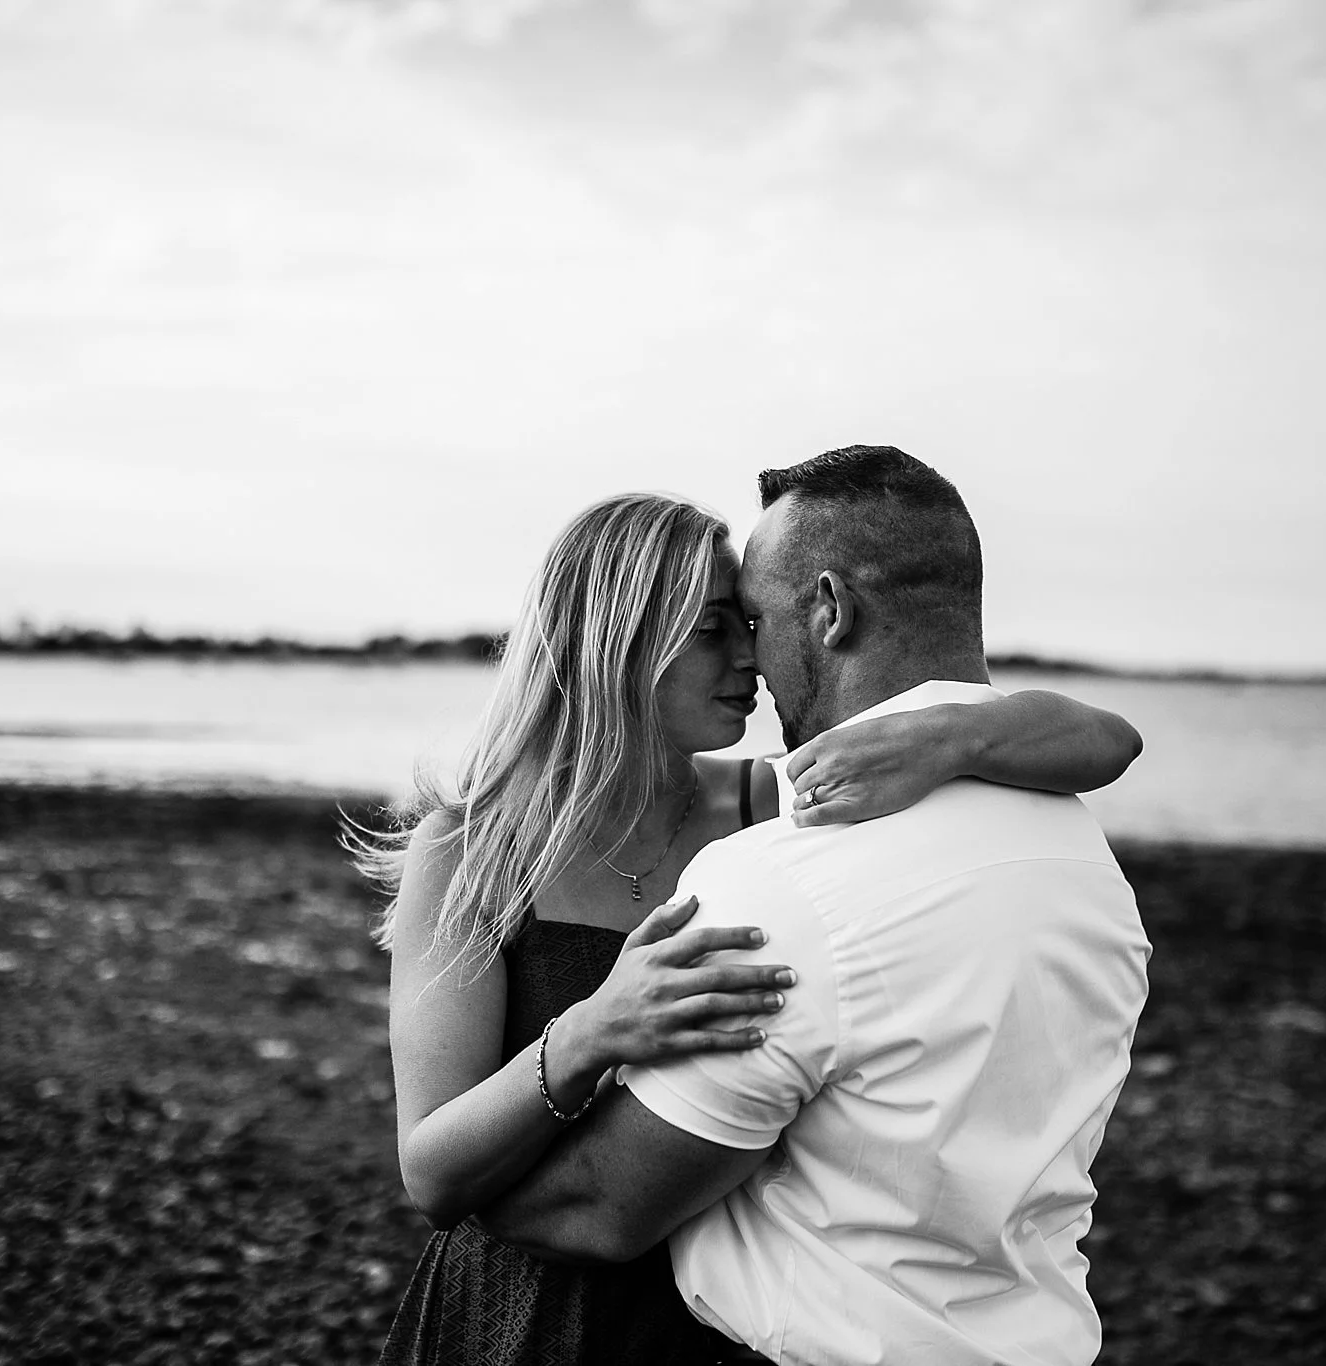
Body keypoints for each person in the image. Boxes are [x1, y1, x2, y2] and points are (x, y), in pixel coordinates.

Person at [361, 487, 1143, 1365]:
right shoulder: (470, 849)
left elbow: (1108, 740)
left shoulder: (773, 802)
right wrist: (587, 1033)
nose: (753, 658)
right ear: (616, 641)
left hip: (705, 1319)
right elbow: (431, 1171)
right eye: (711, 631)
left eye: (749, 623)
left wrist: (950, 738)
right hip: (519, 1304)